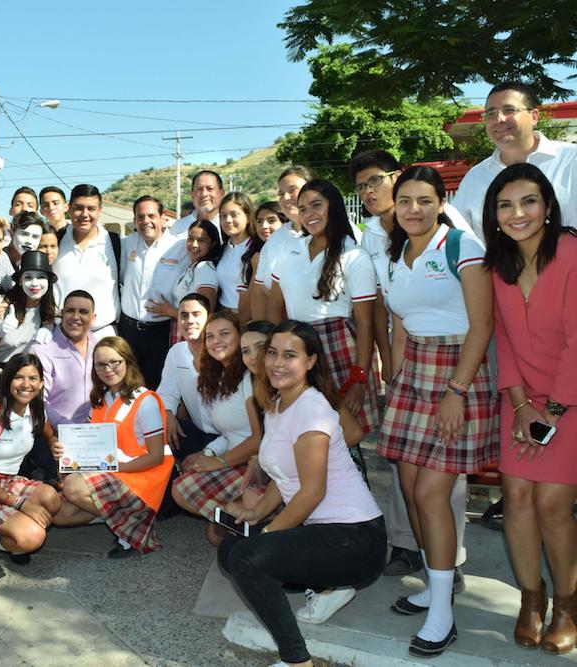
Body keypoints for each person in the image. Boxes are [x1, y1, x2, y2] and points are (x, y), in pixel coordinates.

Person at [376, 166, 497, 657]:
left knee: (431, 493)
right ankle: (434, 584)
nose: (413, 209)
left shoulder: (462, 246)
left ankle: (443, 615)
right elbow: (401, 323)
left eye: (424, 200)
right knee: (409, 488)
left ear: (440, 202)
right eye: (405, 200)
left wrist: (456, 391)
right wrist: (396, 381)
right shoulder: (397, 251)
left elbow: (483, 323)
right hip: (414, 374)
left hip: (457, 371)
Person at [218, 320, 385, 667]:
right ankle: (323, 588)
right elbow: (284, 475)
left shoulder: (312, 409)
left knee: (248, 558)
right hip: (327, 531)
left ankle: (297, 661)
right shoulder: (277, 403)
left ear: (310, 362)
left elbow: (312, 493)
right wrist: (256, 512)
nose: (277, 363)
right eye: (273, 353)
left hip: (356, 538)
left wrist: (267, 533)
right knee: (231, 550)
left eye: (290, 355)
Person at [349, 150, 472, 583]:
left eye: (375, 180)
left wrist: (458, 388)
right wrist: (391, 370)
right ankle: (415, 550)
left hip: (455, 364)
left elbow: (477, 313)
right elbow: (392, 311)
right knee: (406, 473)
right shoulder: (375, 239)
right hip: (409, 363)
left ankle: (447, 563)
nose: (369, 192)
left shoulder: (451, 231)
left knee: (438, 482)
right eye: (361, 186)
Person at [484, 163, 577, 654]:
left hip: (572, 400)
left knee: (551, 504)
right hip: (520, 402)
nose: (517, 213)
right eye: (505, 204)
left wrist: (555, 410)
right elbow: (503, 337)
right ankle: (531, 600)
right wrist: (521, 404)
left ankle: (566, 604)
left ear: (547, 207)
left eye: (528, 201)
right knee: (517, 500)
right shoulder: (497, 267)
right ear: (494, 215)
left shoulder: (572, 253)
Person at [267, 179, 379, 435]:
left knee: (345, 434)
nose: (309, 214)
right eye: (303, 208)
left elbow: (364, 323)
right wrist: (277, 351)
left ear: (334, 207)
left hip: (341, 349)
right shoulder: (288, 249)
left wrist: (359, 378)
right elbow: (275, 304)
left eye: (317, 205)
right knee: (302, 430)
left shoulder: (354, 255)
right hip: (296, 350)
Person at [54, 337, 173, 558]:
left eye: (114, 362)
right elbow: (87, 448)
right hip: (110, 473)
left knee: (73, 488)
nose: (108, 369)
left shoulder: (145, 401)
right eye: (100, 364)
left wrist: (115, 467)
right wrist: (65, 456)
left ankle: (132, 530)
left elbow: (156, 457)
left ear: (127, 362)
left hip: (141, 476)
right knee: (61, 515)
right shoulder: (101, 400)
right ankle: (133, 521)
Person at [172, 315, 268, 545]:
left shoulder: (248, 378)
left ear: (239, 337)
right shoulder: (222, 377)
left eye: (224, 334)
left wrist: (219, 462)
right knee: (182, 489)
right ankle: (243, 520)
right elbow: (230, 433)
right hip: (236, 457)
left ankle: (262, 518)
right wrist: (208, 453)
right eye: (210, 336)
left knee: (216, 535)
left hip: (257, 462)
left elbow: (258, 439)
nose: (216, 341)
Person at [454, 80, 577, 234]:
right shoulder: (474, 178)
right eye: (491, 113)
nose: (499, 119)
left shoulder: (572, 160)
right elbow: (458, 238)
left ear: (534, 116)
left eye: (509, 110)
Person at [0, 353, 62, 557]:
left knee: (52, 498)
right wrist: (21, 503)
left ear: (41, 383)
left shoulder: (37, 411)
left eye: (32, 378)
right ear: (8, 379)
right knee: (33, 535)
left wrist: (53, 442)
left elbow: (48, 434)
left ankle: (0, 531)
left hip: (10, 481)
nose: (26, 384)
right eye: (19, 377)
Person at [29, 290, 98, 484]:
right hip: (51, 434)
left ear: (93, 318)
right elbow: (37, 402)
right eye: (70, 311)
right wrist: (64, 432)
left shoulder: (101, 347)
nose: (75, 317)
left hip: (94, 436)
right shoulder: (42, 348)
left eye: (83, 312)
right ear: (61, 313)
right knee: (57, 490)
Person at [118, 195, 182, 389]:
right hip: (128, 330)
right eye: (140, 216)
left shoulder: (179, 246)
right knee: (128, 386)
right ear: (135, 220)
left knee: (157, 386)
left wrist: (174, 310)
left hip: (160, 332)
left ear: (163, 217)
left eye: (151, 215)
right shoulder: (126, 244)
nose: (146, 221)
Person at [157, 293, 219, 460]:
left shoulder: (220, 353)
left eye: (196, 314)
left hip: (227, 439)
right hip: (196, 433)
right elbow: (167, 392)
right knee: (156, 429)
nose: (190, 320)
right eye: (184, 315)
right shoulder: (176, 352)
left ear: (209, 318)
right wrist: (168, 414)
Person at [53, 185, 120, 338]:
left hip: (104, 335)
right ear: (69, 209)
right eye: (79, 208)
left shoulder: (115, 243)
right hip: (61, 334)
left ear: (99, 211)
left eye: (91, 208)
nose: (84, 214)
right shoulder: (56, 240)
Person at [252, 166, 312, 320]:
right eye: (281, 193)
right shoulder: (276, 239)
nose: (285, 198)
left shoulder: (338, 231)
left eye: (293, 190)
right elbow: (260, 289)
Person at [147, 219, 221, 332]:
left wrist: (170, 311)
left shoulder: (204, 268)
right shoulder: (192, 266)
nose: (194, 244)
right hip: (183, 329)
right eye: (190, 238)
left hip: (194, 332)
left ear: (213, 244)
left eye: (201, 240)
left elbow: (207, 312)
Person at [0, 251, 56, 372]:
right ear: (20, 281)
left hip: (30, 376)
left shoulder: (49, 310)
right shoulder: (1, 305)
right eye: (28, 277)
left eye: (41, 277)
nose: (34, 283)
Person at [238, 202, 285, 321]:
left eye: (271, 220)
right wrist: (255, 272)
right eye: (259, 221)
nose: (264, 226)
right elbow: (244, 314)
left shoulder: (295, 252)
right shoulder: (249, 258)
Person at [215, 193, 254, 313]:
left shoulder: (257, 250)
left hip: (250, 317)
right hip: (223, 315)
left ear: (248, 217)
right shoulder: (220, 250)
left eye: (234, 215)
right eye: (223, 216)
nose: (228, 220)